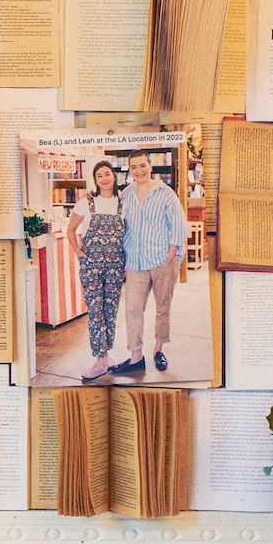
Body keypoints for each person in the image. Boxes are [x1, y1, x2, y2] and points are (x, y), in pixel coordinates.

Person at [111, 149, 189, 376]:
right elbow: (117, 222)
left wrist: (171, 254)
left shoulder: (166, 193)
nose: (139, 170)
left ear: (150, 165)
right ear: (130, 170)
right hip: (135, 261)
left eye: (142, 165)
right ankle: (136, 356)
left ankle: (158, 349)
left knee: (162, 308)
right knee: (133, 309)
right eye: (134, 167)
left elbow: (179, 225)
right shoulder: (125, 194)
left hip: (162, 259)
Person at [67, 159, 126, 382]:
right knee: (95, 312)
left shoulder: (123, 203)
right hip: (91, 267)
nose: (104, 178)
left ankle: (105, 355)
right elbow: (71, 230)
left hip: (115, 267)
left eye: (107, 173)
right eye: (99, 175)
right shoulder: (86, 203)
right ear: (95, 179)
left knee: (110, 311)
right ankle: (100, 358)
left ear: (114, 176)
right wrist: (79, 253)